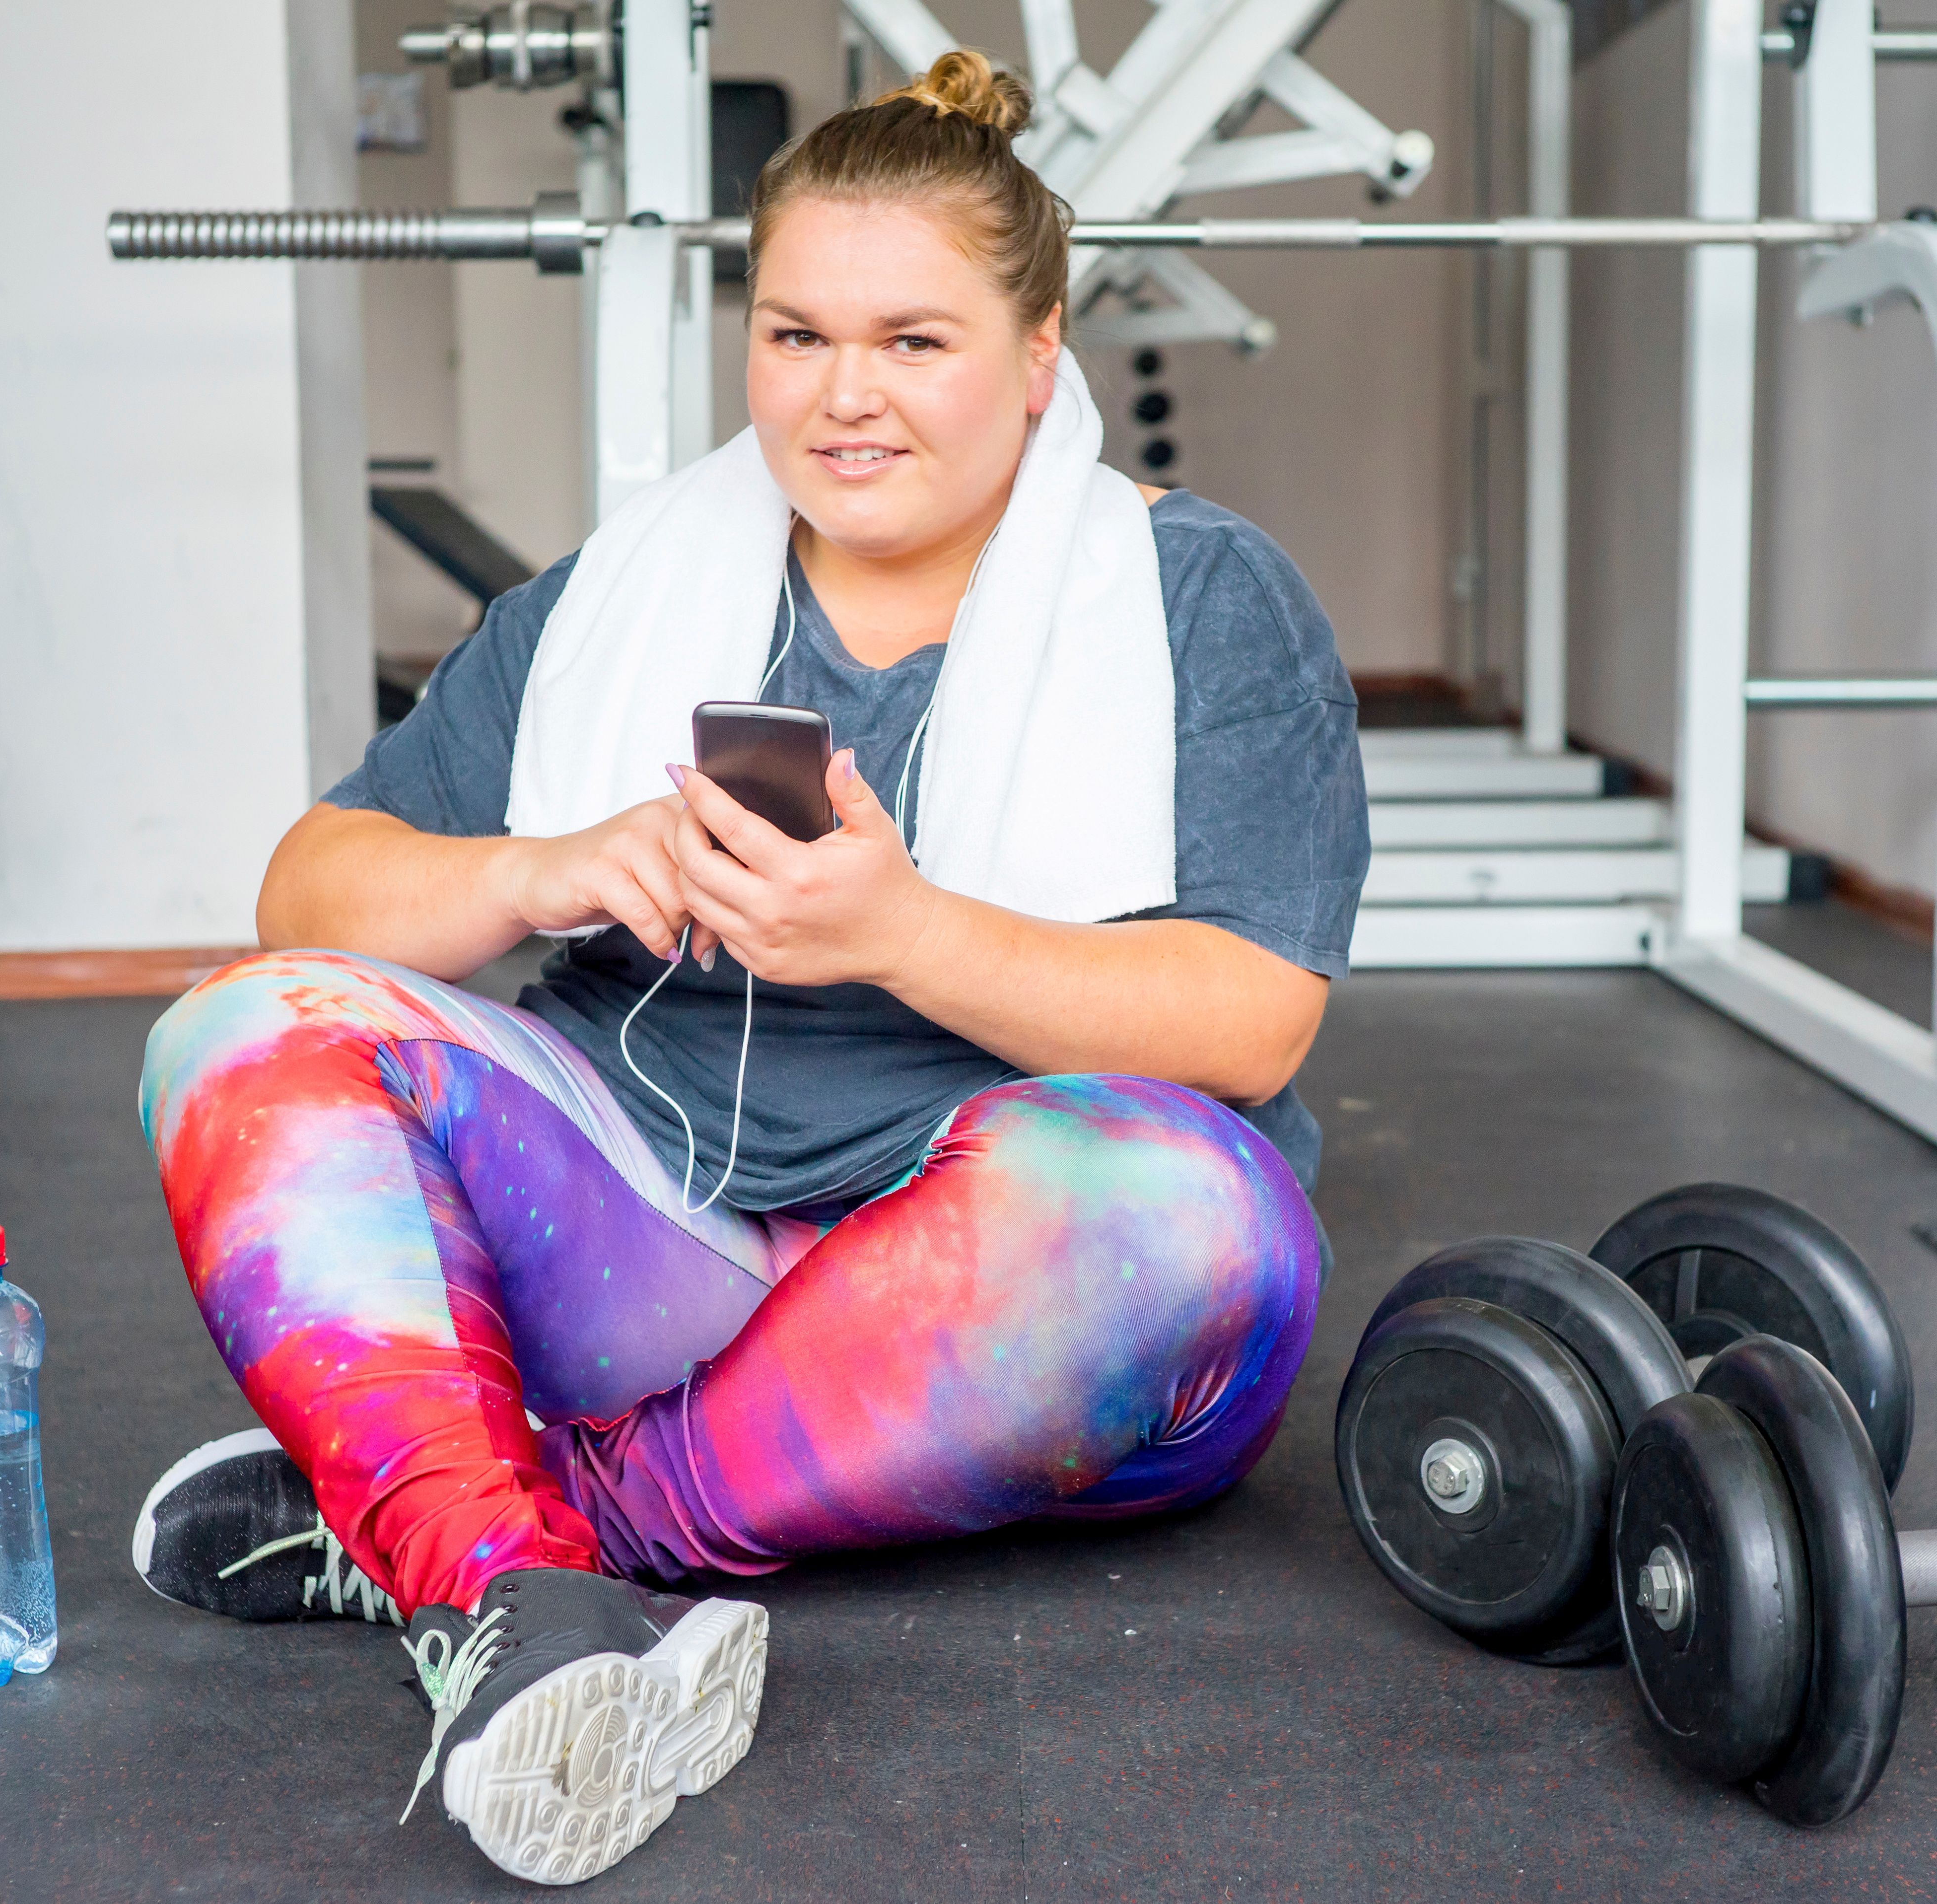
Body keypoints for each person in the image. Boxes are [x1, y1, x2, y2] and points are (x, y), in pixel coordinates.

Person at [126, 49, 1367, 1889]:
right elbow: (312, 886)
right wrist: (546, 866)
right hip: (654, 1247)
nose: (843, 397)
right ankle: (508, 1589)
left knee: (1193, 1214)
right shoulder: (630, 587)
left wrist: (902, 933)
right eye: (794, 336)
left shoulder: (1202, 598)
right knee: (243, 1030)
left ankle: (481, 1531)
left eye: (914, 343)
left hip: (997, 1314)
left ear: (1038, 360)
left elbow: (1255, 1019)